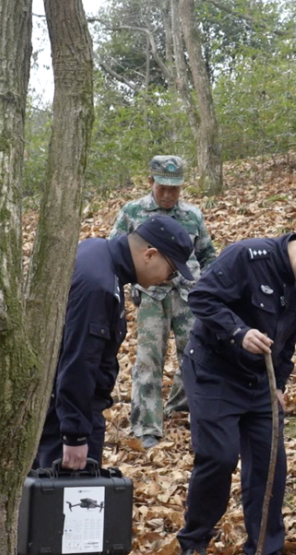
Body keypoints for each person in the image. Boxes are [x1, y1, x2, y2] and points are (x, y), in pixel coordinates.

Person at [32, 215, 195, 555]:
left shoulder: (96, 255)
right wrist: (75, 432)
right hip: (67, 408)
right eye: (169, 269)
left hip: (59, 401)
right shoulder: (99, 285)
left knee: (54, 498)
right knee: (66, 501)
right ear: (149, 254)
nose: (166, 279)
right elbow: (77, 361)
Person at [176, 221, 296, 555]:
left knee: (270, 462)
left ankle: (266, 549)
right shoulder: (247, 256)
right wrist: (238, 332)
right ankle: (194, 538)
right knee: (219, 457)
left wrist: (279, 385)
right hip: (214, 371)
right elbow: (200, 297)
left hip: (261, 381)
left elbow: (288, 340)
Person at [110, 156, 217, 448]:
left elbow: (207, 256)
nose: (168, 194)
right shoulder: (132, 212)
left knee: (195, 355)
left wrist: (209, 290)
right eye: (162, 187)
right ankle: (147, 426)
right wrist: (128, 287)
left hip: (188, 294)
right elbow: (115, 252)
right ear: (150, 182)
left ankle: (183, 407)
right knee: (148, 359)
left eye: (175, 188)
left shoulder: (192, 215)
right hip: (150, 296)